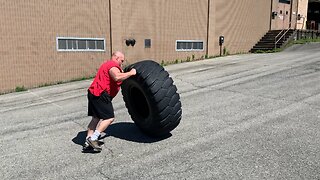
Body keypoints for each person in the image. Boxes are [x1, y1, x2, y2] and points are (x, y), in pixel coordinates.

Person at [84, 51, 136, 151]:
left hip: (93, 92)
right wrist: (131, 73)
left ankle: (87, 141)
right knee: (109, 118)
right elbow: (116, 77)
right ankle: (93, 138)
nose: (122, 63)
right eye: (121, 60)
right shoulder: (113, 65)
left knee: (96, 118)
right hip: (101, 94)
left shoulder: (106, 64)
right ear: (117, 58)